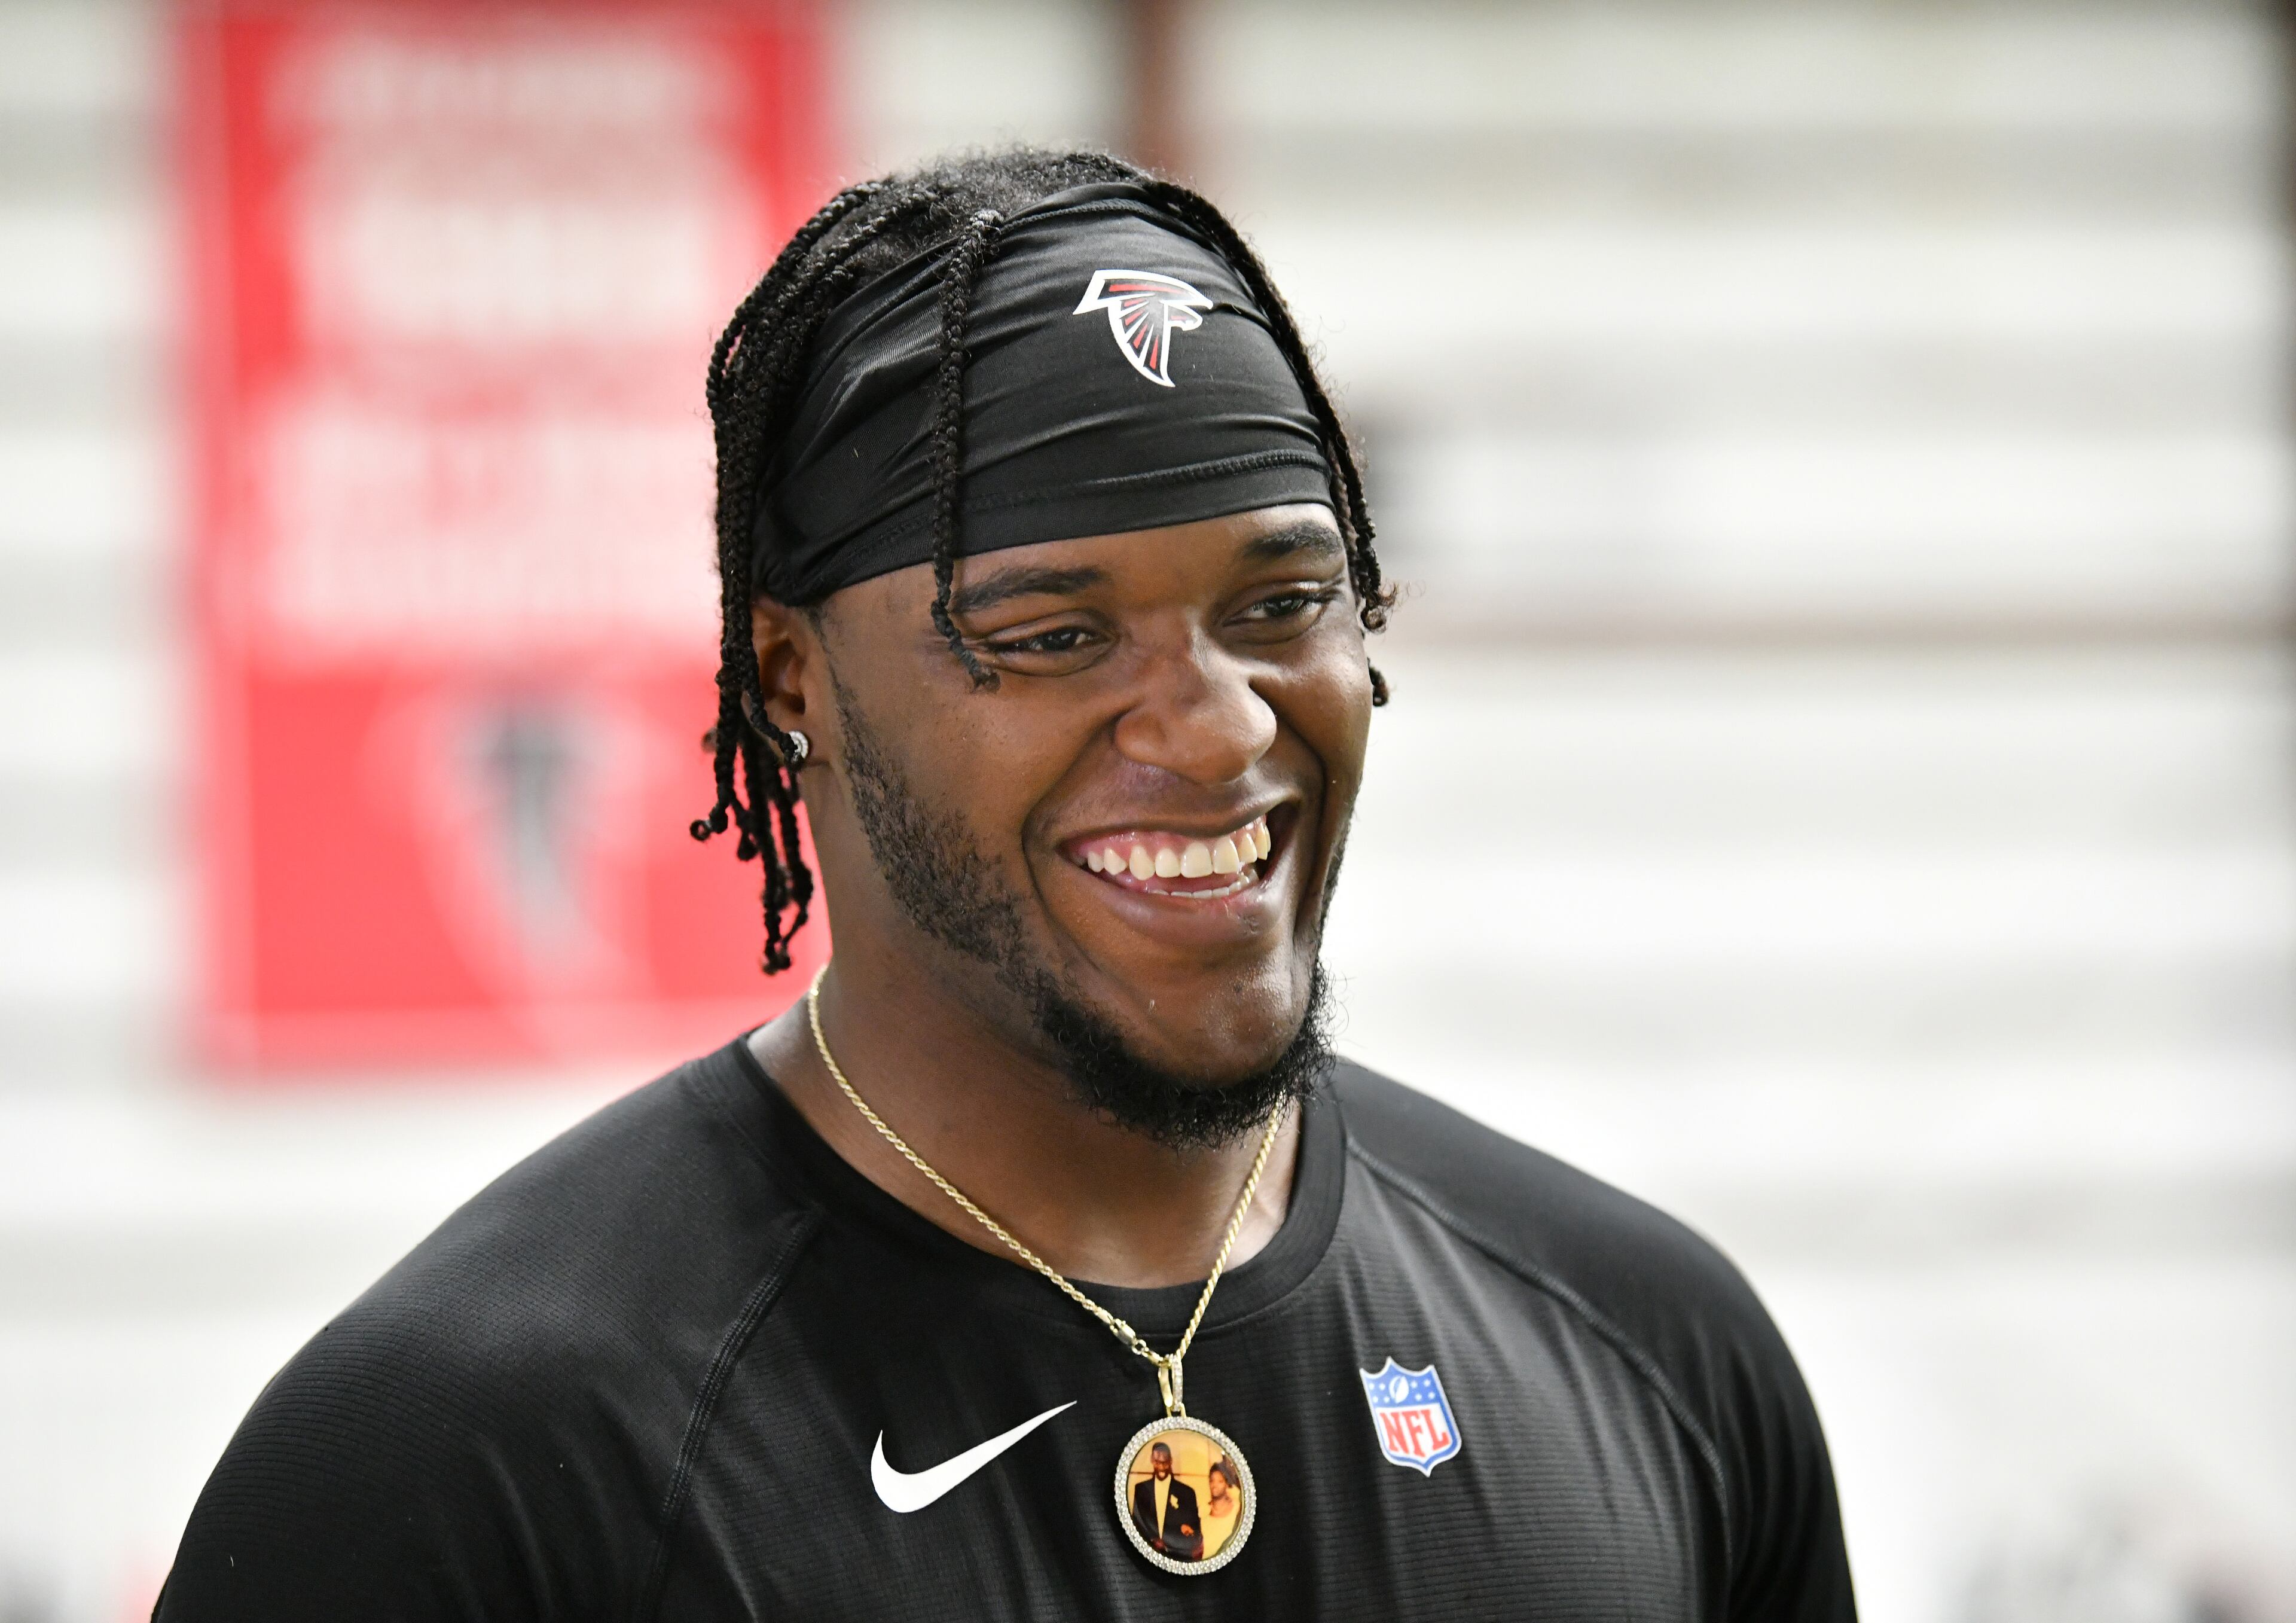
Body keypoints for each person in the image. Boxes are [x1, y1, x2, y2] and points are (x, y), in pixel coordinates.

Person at [152, 148, 1857, 1619]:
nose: (1212, 728)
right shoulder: (469, 1460)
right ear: (790, 683)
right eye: (1051, 636)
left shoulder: (1655, 1354)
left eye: (1281, 607)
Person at [1131, 1442, 1205, 1560]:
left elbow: (1195, 1530)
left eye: (1164, 1461)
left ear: (1171, 1461)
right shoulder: (1141, 1489)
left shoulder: (1187, 1492)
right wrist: (1152, 1540)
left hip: (1179, 1556)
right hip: (1145, 1555)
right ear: (1152, 1460)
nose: (1161, 1465)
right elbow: (1137, 1522)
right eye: (1157, 1461)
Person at [1202, 1456, 1242, 1552]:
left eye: (1220, 1481)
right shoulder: (1202, 1511)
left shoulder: (1237, 1509)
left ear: (1227, 1484)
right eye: (1212, 1481)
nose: (1215, 1485)